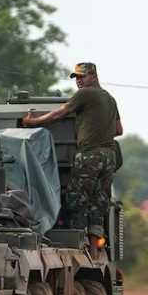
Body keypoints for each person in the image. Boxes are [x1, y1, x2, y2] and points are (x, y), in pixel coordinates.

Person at [22, 62, 122, 236]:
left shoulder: (85, 94)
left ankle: (77, 241)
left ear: (94, 76)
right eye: (77, 77)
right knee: (98, 202)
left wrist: (33, 122)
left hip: (90, 155)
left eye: (83, 76)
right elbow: (119, 130)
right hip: (109, 157)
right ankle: (94, 247)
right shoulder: (109, 98)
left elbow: (60, 113)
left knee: (76, 200)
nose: (79, 81)